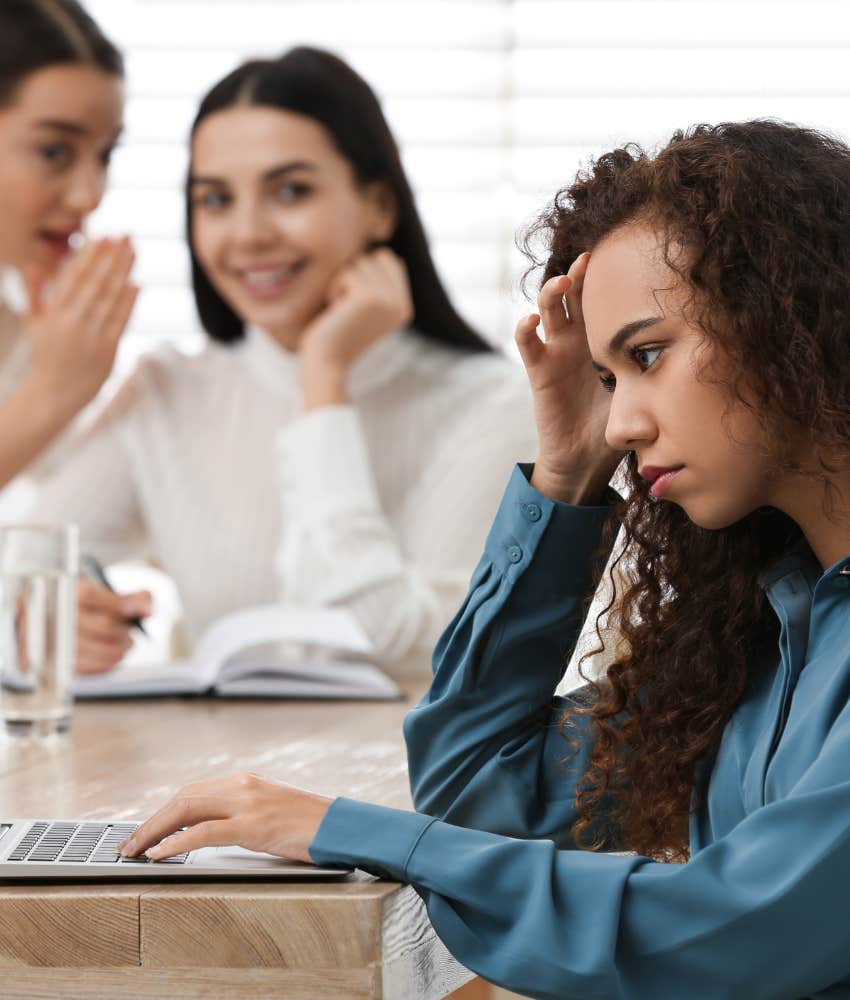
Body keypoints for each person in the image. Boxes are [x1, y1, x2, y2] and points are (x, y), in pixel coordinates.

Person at [122, 119, 850, 999]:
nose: (622, 424)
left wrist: (342, 827)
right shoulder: (771, 625)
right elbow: (481, 791)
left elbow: (734, 931)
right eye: (611, 379)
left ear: (791, 313)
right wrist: (567, 474)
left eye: (649, 355)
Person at [8, 47, 537, 675]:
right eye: (215, 200)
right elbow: (28, 569)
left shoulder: (493, 405)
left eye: (290, 190)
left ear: (379, 207)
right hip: (209, 772)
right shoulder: (168, 390)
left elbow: (393, 646)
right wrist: (61, 617)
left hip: (399, 776)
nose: (249, 234)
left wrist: (324, 380)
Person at [0, 0, 136, 487]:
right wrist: (53, 394)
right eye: (54, 151)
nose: (90, 196)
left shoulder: (28, 322)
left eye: (105, 154)